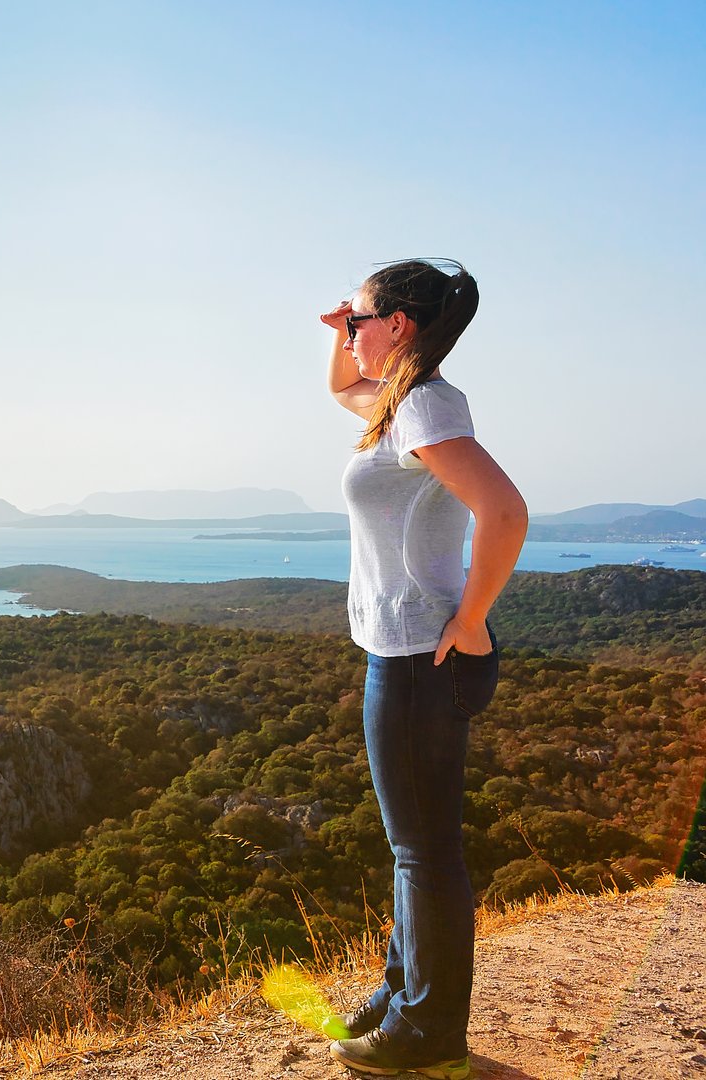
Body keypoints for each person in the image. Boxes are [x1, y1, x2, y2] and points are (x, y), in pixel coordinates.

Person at [320, 258, 527, 1078]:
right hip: (403, 653)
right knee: (416, 846)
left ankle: (429, 1031)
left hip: (418, 657)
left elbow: (504, 511)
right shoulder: (402, 402)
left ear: (399, 324)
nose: (351, 334)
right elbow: (343, 391)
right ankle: (403, 998)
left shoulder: (427, 405)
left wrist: (470, 620)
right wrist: (343, 333)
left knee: (425, 852)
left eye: (361, 321)